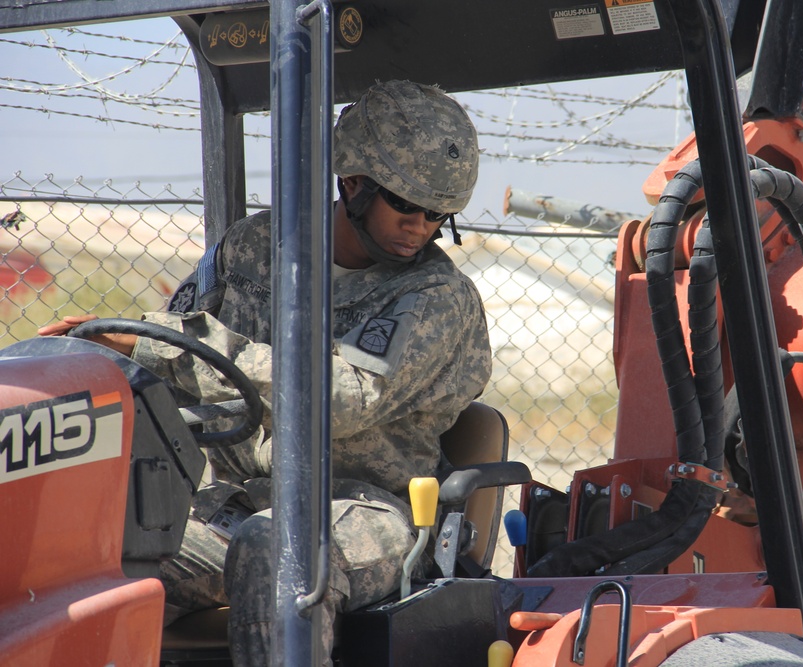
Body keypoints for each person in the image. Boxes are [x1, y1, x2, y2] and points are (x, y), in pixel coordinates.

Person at [39, 79, 493, 666]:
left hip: (366, 511)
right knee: (82, 545)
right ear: (353, 183)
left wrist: (169, 345)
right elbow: (169, 333)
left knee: (276, 548)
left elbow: (341, 399)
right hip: (240, 500)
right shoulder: (254, 247)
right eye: (406, 205)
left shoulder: (437, 295)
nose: (421, 227)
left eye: (439, 214)